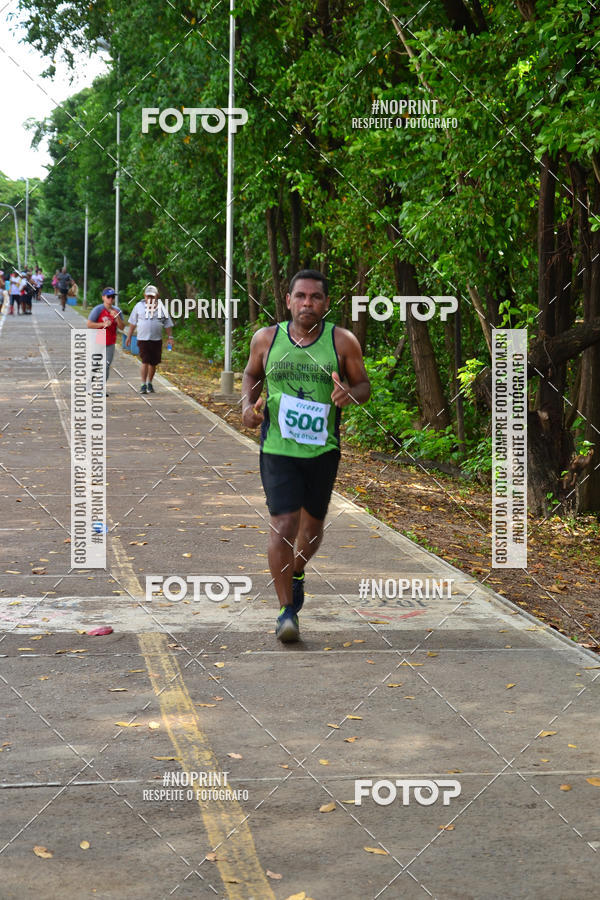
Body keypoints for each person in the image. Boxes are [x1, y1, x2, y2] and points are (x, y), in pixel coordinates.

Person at [241, 269, 371, 643]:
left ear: (326, 303)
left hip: (322, 450)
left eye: (315, 297)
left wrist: (350, 394)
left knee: (311, 530)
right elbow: (251, 375)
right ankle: (286, 612)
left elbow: (363, 385)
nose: (307, 303)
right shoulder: (266, 339)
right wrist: (248, 407)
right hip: (277, 448)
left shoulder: (342, 342)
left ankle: (296, 570)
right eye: (300, 296)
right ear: (288, 301)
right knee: (283, 523)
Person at [126, 285, 174, 394]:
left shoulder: (162, 307)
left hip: (156, 339)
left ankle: (150, 383)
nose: (150, 299)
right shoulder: (139, 306)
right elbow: (133, 322)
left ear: (157, 296)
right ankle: (143, 384)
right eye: (148, 296)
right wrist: (129, 336)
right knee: (145, 361)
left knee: (153, 363)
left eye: (152, 296)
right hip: (143, 339)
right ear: (145, 296)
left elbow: (167, 324)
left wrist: (170, 337)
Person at [86, 287, 125, 396]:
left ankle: (100, 389)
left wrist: (117, 317)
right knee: (96, 365)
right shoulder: (98, 309)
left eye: (112, 297)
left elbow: (122, 327)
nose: (111, 299)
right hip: (98, 339)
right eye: (108, 296)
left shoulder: (117, 310)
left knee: (106, 365)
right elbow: (89, 324)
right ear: (103, 297)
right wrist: (103, 324)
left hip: (111, 341)